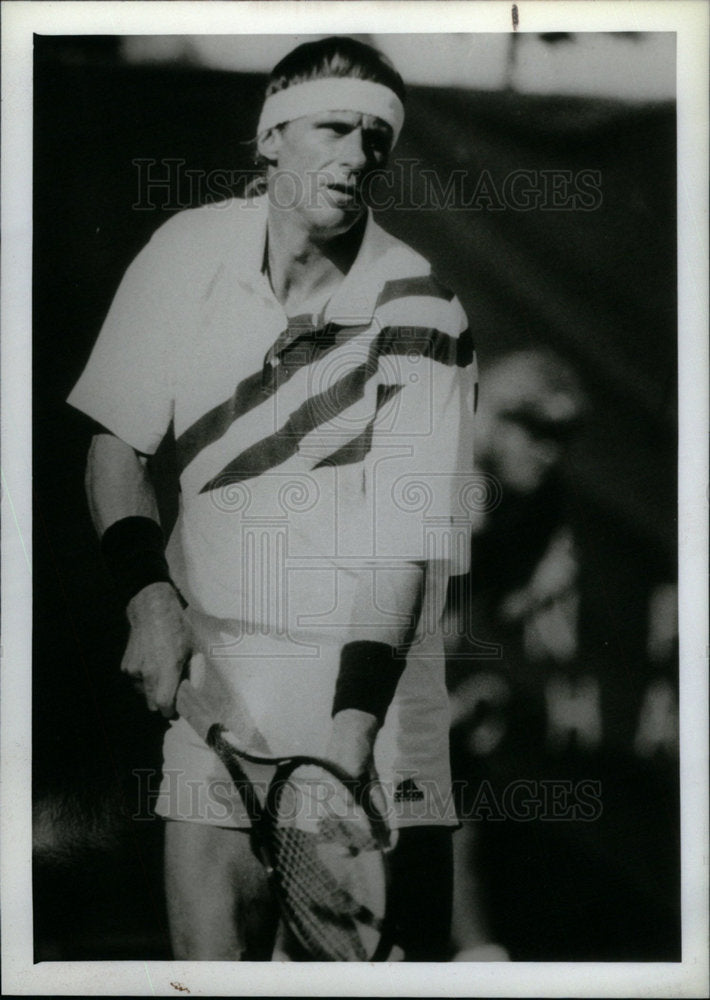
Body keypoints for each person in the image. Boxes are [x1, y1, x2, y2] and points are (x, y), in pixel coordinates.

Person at [68, 36, 477, 961]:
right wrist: (148, 597)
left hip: (372, 713)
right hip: (217, 699)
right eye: (335, 128)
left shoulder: (422, 309)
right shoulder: (185, 252)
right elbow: (115, 446)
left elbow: (396, 551)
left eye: (377, 140)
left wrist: (346, 741)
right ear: (271, 139)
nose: (358, 156)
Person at [444, 348, 585, 961]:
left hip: (423, 678)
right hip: (335, 672)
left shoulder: (541, 506)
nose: (551, 453)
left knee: (455, 768)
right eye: (537, 431)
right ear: (490, 421)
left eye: (563, 437)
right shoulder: (426, 477)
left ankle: (475, 955)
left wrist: (469, 683)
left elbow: (481, 617)